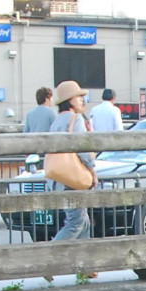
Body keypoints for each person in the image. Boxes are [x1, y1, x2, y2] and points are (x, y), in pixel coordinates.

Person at [48, 80, 97, 241]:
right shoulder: (75, 119)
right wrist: (92, 171)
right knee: (76, 222)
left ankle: (84, 262)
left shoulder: (57, 121)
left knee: (84, 222)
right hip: (71, 179)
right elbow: (83, 148)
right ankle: (49, 255)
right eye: (78, 97)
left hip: (58, 177)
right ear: (69, 100)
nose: (82, 99)